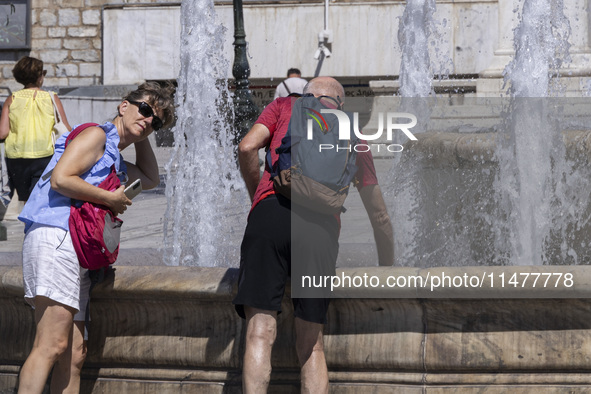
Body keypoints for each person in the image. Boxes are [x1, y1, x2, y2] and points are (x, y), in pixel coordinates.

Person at [233, 76, 394, 393]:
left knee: (260, 331)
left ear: (305, 96)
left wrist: (258, 199)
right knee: (311, 345)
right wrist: (388, 267)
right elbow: (379, 215)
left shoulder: (283, 105)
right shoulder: (353, 132)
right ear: (340, 104)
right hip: (319, 229)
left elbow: (247, 147)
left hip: (270, 215)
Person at [16, 81, 175, 394]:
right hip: (56, 235)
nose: (147, 120)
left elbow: (151, 178)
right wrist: (109, 198)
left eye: (155, 121)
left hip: (77, 249)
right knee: (51, 344)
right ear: (123, 105)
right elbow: (62, 178)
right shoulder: (97, 135)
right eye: (143, 109)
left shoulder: (113, 153)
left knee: (74, 354)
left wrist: (142, 132)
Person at [0, 56, 71, 203]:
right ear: (39, 77)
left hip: (16, 158)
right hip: (44, 156)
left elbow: (3, 132)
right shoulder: (51, 98)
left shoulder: (11, 99)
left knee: (25, 200)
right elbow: (66, 128)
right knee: (40, 199)